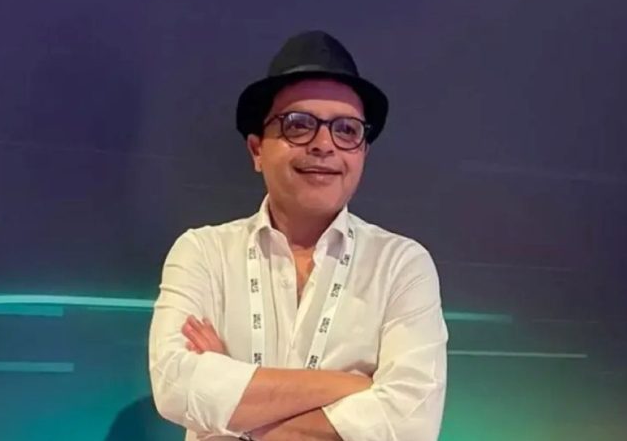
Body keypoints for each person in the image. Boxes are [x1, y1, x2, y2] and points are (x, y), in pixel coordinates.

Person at [148, 30, 448, 441]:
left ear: (363, 153)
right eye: (299, 125)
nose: (324, 144)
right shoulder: (203, 252)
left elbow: (410, 424)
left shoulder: (401, 265)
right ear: (257, 150)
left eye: (346, 130)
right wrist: (352, 387)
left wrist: (233, 405)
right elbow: (176, 386)